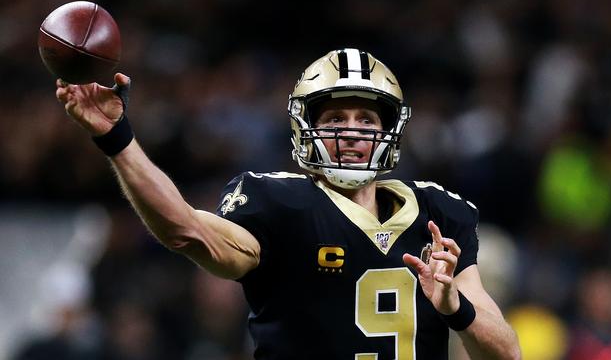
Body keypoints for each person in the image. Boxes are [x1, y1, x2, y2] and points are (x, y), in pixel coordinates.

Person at [55, 48, 521, 359]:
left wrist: (455, 306)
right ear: (305, 127)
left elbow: (506, 354)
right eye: (336, 116)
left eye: (366, 118)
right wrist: (119, 139)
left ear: (389, 131)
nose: (353, 131)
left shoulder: (439, 213)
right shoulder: (278, 203)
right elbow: (186, 230)